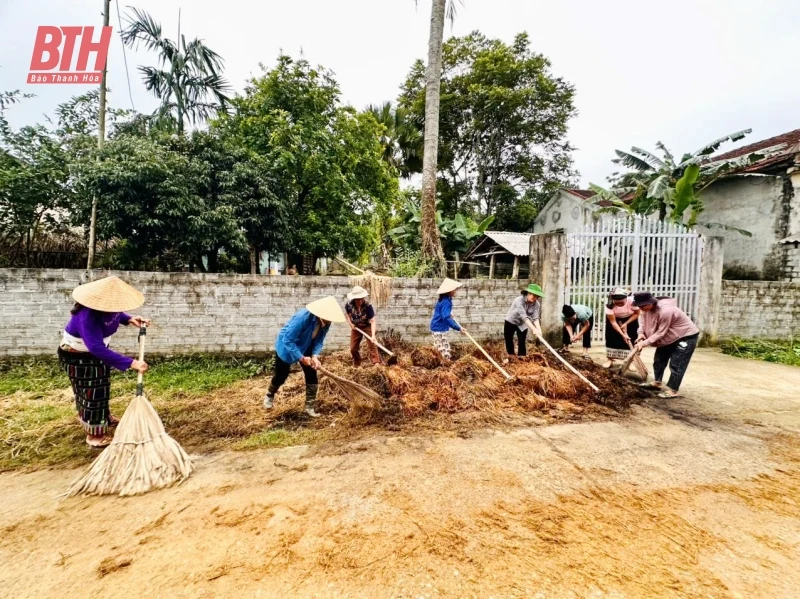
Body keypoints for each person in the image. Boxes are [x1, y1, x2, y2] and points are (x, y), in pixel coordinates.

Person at [58, 276, 150, 448]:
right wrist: (131, 362)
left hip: (95, 354)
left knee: (101, 387)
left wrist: (129, 319)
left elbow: (116, 315)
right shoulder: (88, 316)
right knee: (91, 393)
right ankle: (94, 436)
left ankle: (104, 418)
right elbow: (96, 348)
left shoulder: (109, 308)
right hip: (78, 357)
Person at [263, 296, 345, 417]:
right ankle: (269, 395)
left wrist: (315, 355)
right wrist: (301, 358)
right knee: (281, 375)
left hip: (306, 345)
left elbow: (319, 340)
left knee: (312, 373)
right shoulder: (303, 318)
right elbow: (288, 339)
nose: (329, 321)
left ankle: (309, 407)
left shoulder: (326, 322)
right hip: (287, 346)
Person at [632, 292, 699, 399]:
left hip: (685, 336)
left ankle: (673, 390)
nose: (641, 308)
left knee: (677, 363)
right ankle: (657, 382)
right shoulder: (645, 309)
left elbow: (660, 332)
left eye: (643, 306)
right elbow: (642, 320)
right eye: (639, 306)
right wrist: (641, 333)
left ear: (651, 302)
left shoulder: (666, 311)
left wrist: (643, 344)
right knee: (659, 360)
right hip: (669, 336)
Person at [503, 283, 545, 362]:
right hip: (511, 321)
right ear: (528, 293)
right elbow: (523, 315)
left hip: (522, 323)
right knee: (508, 338)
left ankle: (521, 357)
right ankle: (511, 356)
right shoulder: (519, 300)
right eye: (534, 296)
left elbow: (535, 317)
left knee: (522, 339)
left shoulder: (537, 304)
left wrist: (539, 329)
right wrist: (533, 329)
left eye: (537, 297)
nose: (536, 298)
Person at [604, 288, 641, 369]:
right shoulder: (609, 305)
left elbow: (637, 313)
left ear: (626, 299)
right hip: (615, 319)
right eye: (617, 303)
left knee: (632, 337)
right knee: (611, 338)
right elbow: (613, 322)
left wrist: (626, 323)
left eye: (621, 303)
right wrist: (622, 334)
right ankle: (610, 359)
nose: (619, 304)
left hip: (631, 318)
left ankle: (631, 361)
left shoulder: (632, 301)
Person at [430, 278, 466, 360]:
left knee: (441, 347)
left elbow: (442, 313)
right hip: (438, 328)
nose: (455, 291)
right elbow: (446, 318)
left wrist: (449, 313)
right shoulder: (446, 301)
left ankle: (440, 364)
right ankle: (444, 367)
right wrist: (459, 328)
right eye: (454, 290)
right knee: (443, 351)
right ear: (449, 291)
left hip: (437, 327)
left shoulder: (444, 299)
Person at [345, 285, 380, 367]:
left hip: (366, 326)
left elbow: (373, 320)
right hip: (356, 327)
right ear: (354, 298)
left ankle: (376, 363)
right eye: (358, 299)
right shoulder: (349, 305)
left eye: (362, 298)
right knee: (353, 348)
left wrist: (373, 336)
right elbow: (347, 315)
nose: (361, 300)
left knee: (372, 344)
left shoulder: (368, 306)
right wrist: (351, 324)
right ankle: (357, 362)